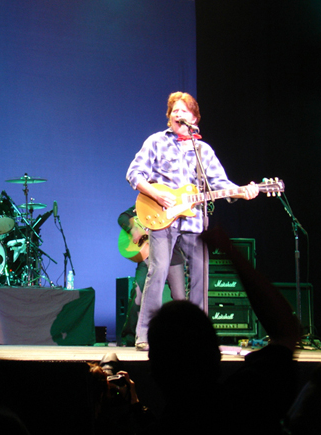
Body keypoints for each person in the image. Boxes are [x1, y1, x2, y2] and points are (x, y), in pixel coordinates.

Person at [126, 92, 260, 351]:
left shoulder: (203, 151)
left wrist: (242, 191)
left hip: (195, 220)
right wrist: (156, 193)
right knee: (158, 270)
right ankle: (144, 335)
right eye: (174, 111)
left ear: (194, 118)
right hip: (162, 217)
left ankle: (197, 336)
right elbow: (134, 173)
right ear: (169, 118)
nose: (178, 114)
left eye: (184, 111)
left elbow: (220, 184)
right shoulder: (156, 142)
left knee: (200, 274)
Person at [143, 228, 300, 435]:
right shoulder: (244, 402)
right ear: (216, 355)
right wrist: (231, 254)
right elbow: (287, 332)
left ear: (154, 371)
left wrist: (135, 406)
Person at [117, 206, 186, 345]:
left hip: (173, 255)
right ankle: (130, 337)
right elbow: (123, 217)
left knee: (180, 298)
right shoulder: (148, 204)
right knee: (139, 295)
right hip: (150, 254)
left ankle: (182, 337)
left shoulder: (178, 204)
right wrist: (134, 229)